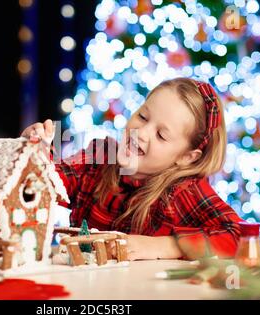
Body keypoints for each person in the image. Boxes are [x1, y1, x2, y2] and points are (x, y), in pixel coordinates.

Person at [21, 77, 243, 261]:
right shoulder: (100, 158)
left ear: (186, 157)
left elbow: (241, 237)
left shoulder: (183, 191)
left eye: (161, 135)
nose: (142, 132)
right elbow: (45, 187)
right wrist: (34, 155)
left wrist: (168, 246)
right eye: (143, 116)